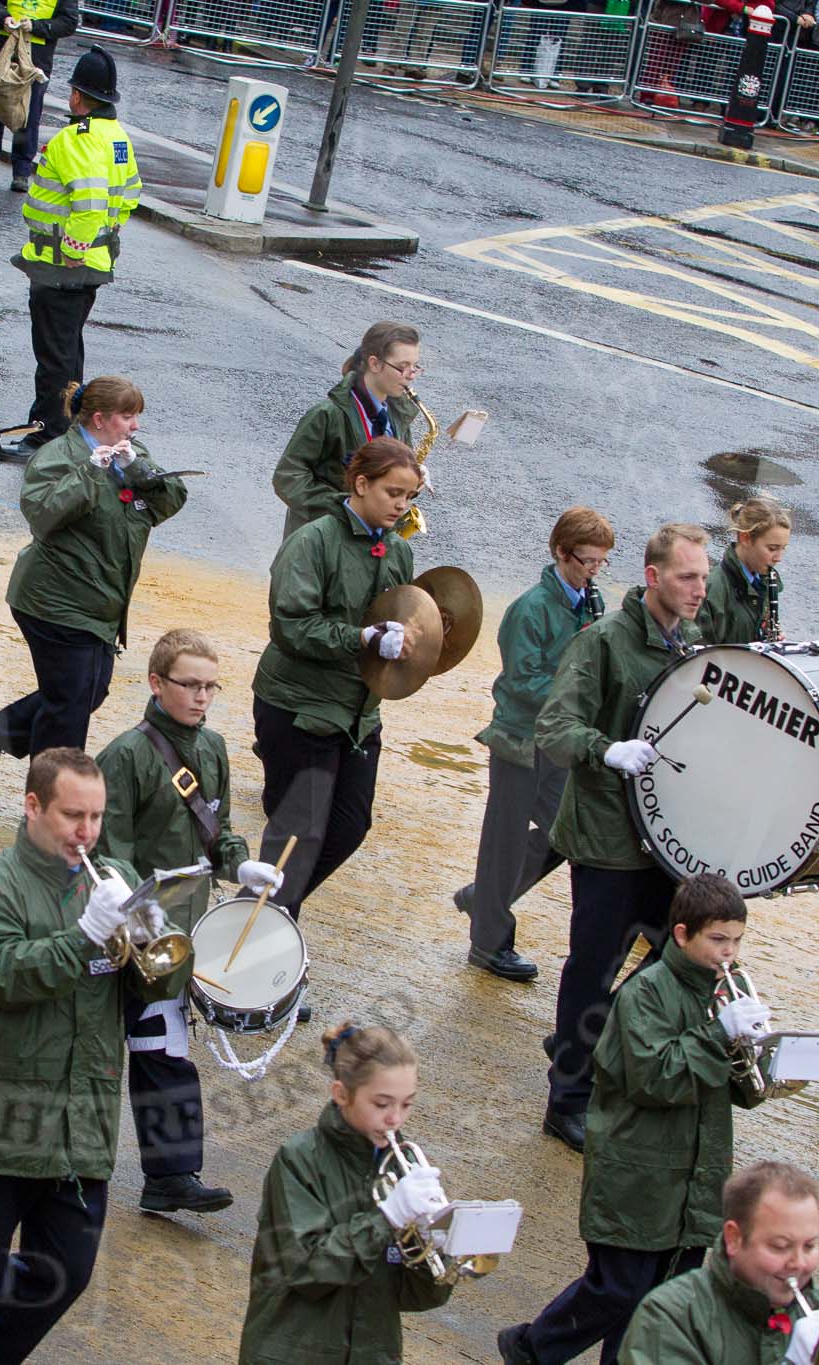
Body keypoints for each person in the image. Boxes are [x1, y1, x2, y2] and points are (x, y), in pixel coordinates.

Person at [0, 747, 183, 1363]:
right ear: (32, 806)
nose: (87, 832)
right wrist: (83, 936)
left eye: (96, 817)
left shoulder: (111, 877)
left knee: (65, 1272)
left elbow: (157, 987)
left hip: (78, 1126)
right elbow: (0, 974)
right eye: (73, 816)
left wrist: (151, 939)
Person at [499, 874, 770, 1365]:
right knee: (617, 1290)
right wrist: (717, 1036)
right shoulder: (645, 993)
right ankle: (531, 1348)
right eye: (718, 940)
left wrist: (761, 1056)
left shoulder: (721, 994)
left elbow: (738, 1091)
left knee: (660, 1301)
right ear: (683, 934)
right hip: (635, 1174)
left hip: (692, 1176)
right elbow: (655, 1076)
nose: (729, 953)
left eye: (736, 941)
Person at [534, 523, 713, 1152]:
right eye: (687, 576)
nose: (699, 588)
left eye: (703, 575)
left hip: (665, 842)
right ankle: (568, 1101)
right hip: (608, 838)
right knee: (593, 969)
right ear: (652, 577)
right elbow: (555, 728)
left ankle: (590, 1046)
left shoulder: (690, 643)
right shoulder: (604, 641)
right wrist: (606, 749)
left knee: (674, 960)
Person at [95, 629, 284, 1215]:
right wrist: (138, 908)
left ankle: (170, 1177)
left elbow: (217, 831)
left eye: (210, 686)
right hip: (130, 928)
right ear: (156, 683)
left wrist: (240, 862)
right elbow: (107, 849)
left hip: (185, 928)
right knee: (134, 1048)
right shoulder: (124, 755)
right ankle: (154, 1175)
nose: (202, 697)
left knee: (163, 1046)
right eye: (190, 685)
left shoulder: (215, 748)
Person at [0, 377, 186, 789]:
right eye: (127, 416)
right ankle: (49, 808)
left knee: (87, 695)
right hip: (53, 602)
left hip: (100, 602)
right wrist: (91, 470)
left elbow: (171, 500)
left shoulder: (131, 453)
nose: (135, 426)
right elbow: (43, 514)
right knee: (67, 711)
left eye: (136, 416)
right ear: (100, 419)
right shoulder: (57, 456)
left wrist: (135, 467)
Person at [251, 437, 421, 932]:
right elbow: (291, 626)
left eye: (409, 497)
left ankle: (259, 912)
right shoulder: (313, 541)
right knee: (295, 837)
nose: (401, 505)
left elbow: (400, 616)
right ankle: (265, 939)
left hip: (357, 713)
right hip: (298, 707)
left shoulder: (398, 553)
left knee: (349, 827)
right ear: (361, 484)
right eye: (393, 492)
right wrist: (362, 638)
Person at [455, 507, 614, 984]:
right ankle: (489, 943)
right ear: (561, 553)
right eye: (587, 561)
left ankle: (483, 897)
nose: (595, 571)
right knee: (503, 842)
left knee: (560, 833)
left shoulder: (587, 600)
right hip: (520, 739)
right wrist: (582, 694)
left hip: (556, 740)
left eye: (602, 562)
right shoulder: (531, 608)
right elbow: (522, 680)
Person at [238, 1024, 455, 1364]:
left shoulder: (404, 1164)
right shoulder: (298, 1159)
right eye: (382, 1103)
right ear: (341, 1094)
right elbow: (308, 1271)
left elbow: (411, 1295)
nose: (396, 1118)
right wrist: (386, 1219)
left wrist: (436, 1247)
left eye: (407, 1104)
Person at [0, 47, 141, 464]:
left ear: (78, 96)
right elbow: (130, 195)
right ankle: (68, 425)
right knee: (68, 348)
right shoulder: (117, 138)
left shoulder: (76, 139)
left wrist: (74, 247)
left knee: (54, 355)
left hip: (61, 264)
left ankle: (47, 433)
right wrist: (97, 242)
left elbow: (91, 203)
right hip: (96, 263)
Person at [618, 1162, 819, 1365]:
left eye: (809, 1246)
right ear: (734, 1238)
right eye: (780, 1246)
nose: (799, 1263)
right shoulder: (671, 1315)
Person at [272, 323, 424, 542]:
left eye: (415, 367)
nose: (411, 376)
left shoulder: (398, 417)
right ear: (375, 364)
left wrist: (411, 479)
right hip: (322, 542)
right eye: (402, 367)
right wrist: (346, 508)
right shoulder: (327, 414)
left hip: (368, 542)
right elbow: (287, 477)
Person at [0, 0, 84, 192]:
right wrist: (4, 18)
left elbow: (68, 22)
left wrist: (36, 26)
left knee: (28, 117)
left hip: (36, 62)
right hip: (4, 54)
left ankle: (21, 173)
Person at [697, 497, 790, 646]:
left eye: (783, 548)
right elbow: (701, 653)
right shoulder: (714, 589)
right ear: (745, 538)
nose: (779, 558)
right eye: (772, 548)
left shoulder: (765, 581)